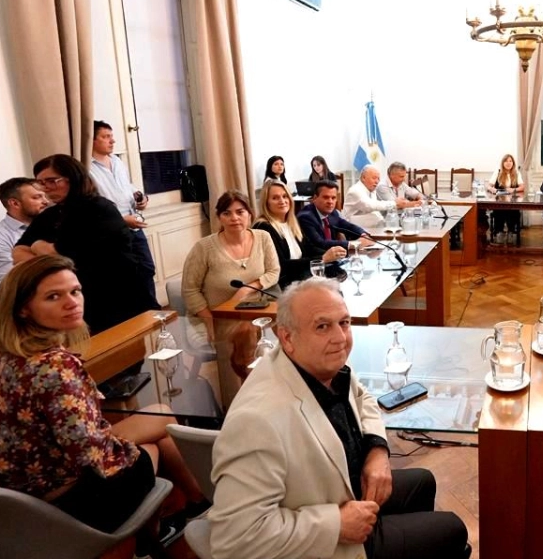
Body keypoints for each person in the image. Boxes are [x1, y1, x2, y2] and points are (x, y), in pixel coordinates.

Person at [209, 277, 471, 559]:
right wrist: (336, 524)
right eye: (322, 326)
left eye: (344, 323)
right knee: (453, 528)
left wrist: (377, 451)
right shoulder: (255, 421)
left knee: (423, 482)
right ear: (287, 337)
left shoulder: (318, 363)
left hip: (345, 487)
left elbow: (362, 397)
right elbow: (233, 540)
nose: (340, 338)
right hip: (326, 543)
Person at [0, 255, 207, 534]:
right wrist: (130, 445)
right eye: (53, 296)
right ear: (23, 309)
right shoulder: (55, 366)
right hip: (63, 504)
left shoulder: (0, 359)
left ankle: (193, 505)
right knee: (154, 442)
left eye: (75, 291)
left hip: (11, 498)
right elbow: (91, 454)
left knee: (160, 416)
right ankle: (169, 523)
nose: (72, 302)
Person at [14, 154, 158, 333]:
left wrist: (37, 246)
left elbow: (61, 254)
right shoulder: (50, 214)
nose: (46, 188)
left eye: (52, 181)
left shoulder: (99, 208)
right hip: (80, 300)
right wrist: (50, 258)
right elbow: (18, 252)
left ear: (73, 178)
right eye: (41, 183)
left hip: (118, 295)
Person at [182, 190, 281, 320]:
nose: (234, 218)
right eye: (226, 213)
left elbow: (273, 271)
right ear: (219, 218)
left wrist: (246, 289)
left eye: (240, 212)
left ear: (250, 214)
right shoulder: (203, 248)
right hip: (215, 318)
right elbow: (190, 290)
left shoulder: (263, 237)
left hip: (254, 313)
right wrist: (209, 320)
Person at [90, 121, 156, 279]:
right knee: (125, 276)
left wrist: (141, 198)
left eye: (111, 136)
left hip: (134, 226)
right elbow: (91, 207)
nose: (112, 141)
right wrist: (121, 220)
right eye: (106, 137)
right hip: (111, 231)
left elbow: (128, 186)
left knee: (147, 269)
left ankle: (149, 297)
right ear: (91, 140)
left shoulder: (117, 161)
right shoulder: (86, 168)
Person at [254, 179, 347, 288]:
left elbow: (308, 248)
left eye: (285, 196)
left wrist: (333, 254)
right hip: (284, 284)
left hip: (301, 278)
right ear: (266, 203)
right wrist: (323, 258)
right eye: (275, 198)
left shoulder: (292, 223)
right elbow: (282, 266)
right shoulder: (263, 228)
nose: (282, 201)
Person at [0, 177, 50, 291]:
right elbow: (8, 289)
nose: (46, 201)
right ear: (15, 203)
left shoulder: (51, 226)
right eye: (37, 197)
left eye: (45, 196)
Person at [297, 181, 374, 259]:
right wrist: (353, 244)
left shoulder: (332, 213)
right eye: (326, 197)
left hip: (334, 259)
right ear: (315, 198)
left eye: (333, 198)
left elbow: (347, 226)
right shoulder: (305, 217)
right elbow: (320, 243)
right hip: (316, 261)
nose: (330, 202)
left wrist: (363, 235)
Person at [486, 153, 525, 245]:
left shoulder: (516, 173)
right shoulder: (498, 172)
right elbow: (488, 185)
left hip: (512, 202)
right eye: (506, 161)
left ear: (513, 163)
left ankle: (511, 232)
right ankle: (499, 232)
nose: (508, 163)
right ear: (502, 163)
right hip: (499, 201)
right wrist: (492, 189)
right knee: (500, 211)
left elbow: (522, 187)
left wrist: (513, 190)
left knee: (512, 211)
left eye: (510, 161)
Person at [343, 165, 397, 229]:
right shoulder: (355, 190)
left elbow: (375, 211)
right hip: (351, 229)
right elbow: (370, 206)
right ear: (363, 178)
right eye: (374, 178)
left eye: (378, 179)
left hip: (366, 227)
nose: (377, 181)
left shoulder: (372, 190)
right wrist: (394, 203)